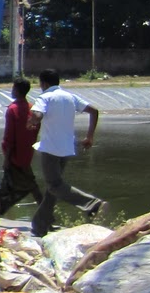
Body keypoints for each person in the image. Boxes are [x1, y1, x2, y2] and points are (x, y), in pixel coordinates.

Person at [27, 69, 106, 237]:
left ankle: (92, 204)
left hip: (50, 148)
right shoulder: (70, 97)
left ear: (44, 84)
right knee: (53, 188)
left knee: (55, 185)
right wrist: (89, 137)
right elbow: (94, 111)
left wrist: (33, 119)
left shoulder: (44, 97)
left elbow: (38, 113)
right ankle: (40, 225)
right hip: (66, 149)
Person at [0, 77, 44, 226]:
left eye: (13, 88)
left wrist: (6, 158)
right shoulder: (33, 109)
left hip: (14, 156)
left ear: (17, 90)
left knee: (5, 188)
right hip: (27, 154)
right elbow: (34, 131)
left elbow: (10, 136)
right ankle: (47, 216)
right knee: (31, 186)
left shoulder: (13, 109)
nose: (12, 90)